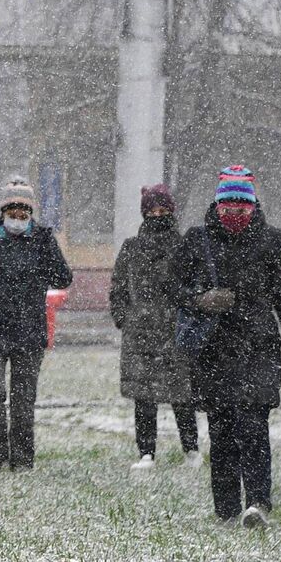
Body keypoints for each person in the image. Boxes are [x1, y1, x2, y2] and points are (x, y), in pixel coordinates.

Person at [174, 165, 281, 526]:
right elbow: (170, 287)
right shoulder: (196, 239)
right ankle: (226, 510)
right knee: (222, 430)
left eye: (242, 204)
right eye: (228, 204)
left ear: (253, 204)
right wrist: (200, 299)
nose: (234, 212)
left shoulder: (271, 241)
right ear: (217, 203)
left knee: (254, 425)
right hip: (213, 350)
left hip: (258, 347)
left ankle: (258, 503)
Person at [0, 177, 72, 472]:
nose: (18, 216)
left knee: (23, 400)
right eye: (13, 209)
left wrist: (48, 246)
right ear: (3, 210)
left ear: (31, 212)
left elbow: (63, 278)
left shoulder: (42, 241)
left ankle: (22, 459)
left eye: (24, 210)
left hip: (28, 332)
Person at [110, 184, 201, 469]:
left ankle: (192, 450)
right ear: (144, 213)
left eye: (162, 210)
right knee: (144, 396)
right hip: (141, 333)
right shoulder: (131, 248)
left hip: (177, 331)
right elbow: (118, 287)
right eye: (151, 211)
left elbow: (196, 285)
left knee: (182, 394)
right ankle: (146, 452)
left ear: (171, 212)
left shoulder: (185, 247)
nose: (157, 215)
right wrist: (123, 316)